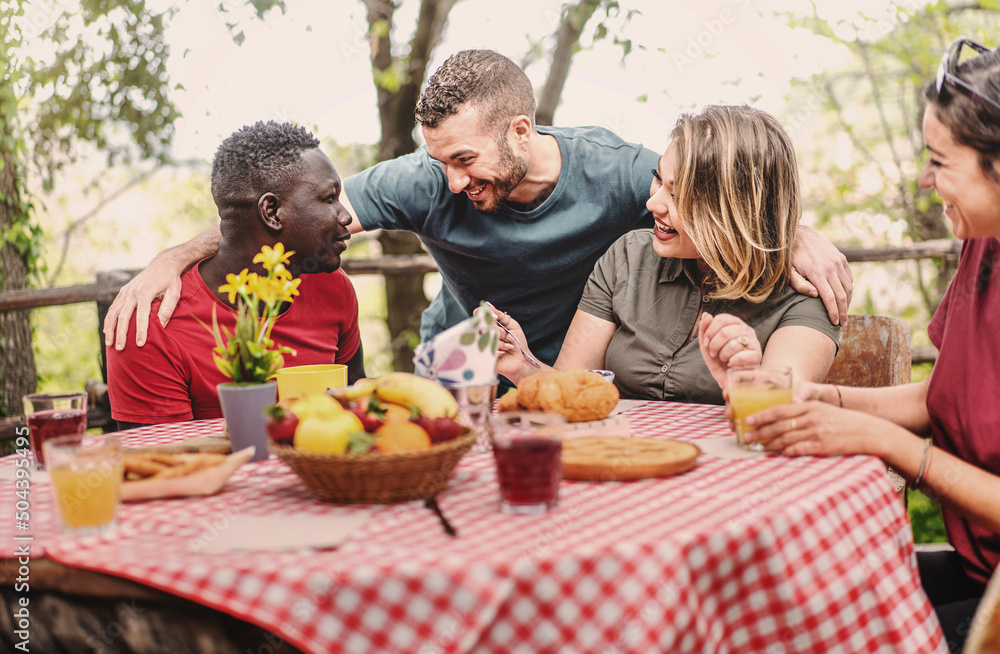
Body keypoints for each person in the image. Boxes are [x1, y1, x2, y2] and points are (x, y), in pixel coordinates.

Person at [103, 50, 853, 373]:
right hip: (461, 359)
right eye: (440, 161)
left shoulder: (618, 171)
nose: (453, 181)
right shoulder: (425, 178)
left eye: (467, 160)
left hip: (571, 369)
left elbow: (714, 191)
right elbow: (294, 218)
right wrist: (173, 257)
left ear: (522, 132)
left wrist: (794, 234)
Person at [742, 39, 1000, 654]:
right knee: (792, 611)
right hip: (976, 571)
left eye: (940, 161)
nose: (924, 179)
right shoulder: (982, 243)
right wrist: (820, 398)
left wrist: (888, 445)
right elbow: (945, 394)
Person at [488, 106, 839, 402]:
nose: (653, 202)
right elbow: (571, 392)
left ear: (737, 208)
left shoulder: (805, 293)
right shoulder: (627, 257)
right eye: (659, 179)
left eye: (679, 193)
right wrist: (522, 365)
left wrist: (742, 380)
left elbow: (783, 420)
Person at [107, 121, 363, 427]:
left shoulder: (334, 288)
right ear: (271, 212)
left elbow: (358, 413)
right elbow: (161, 466)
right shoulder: (153, 325)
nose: (346, 216)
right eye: (327, 198)